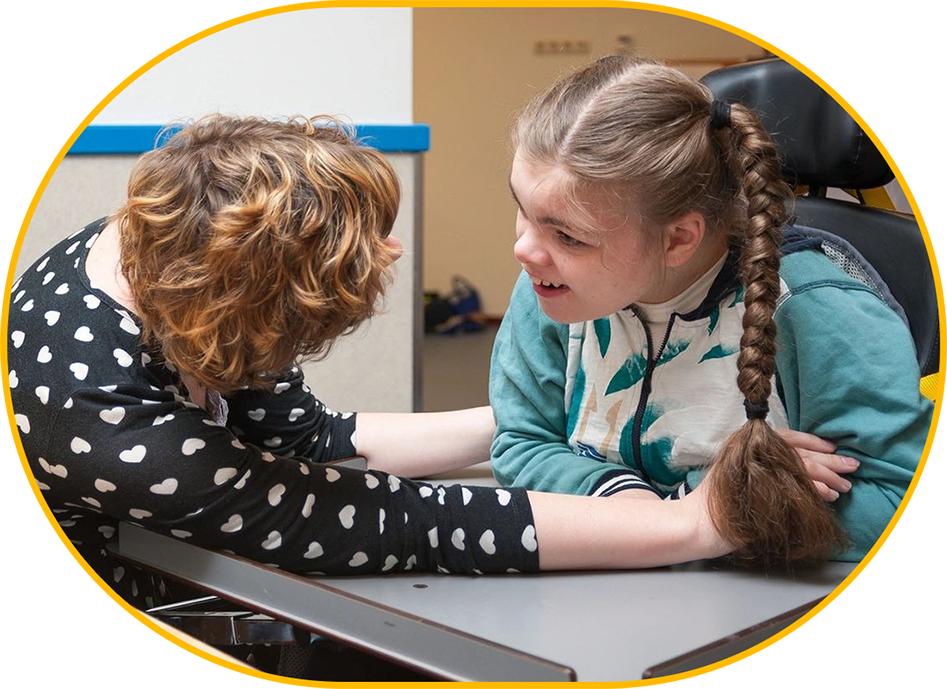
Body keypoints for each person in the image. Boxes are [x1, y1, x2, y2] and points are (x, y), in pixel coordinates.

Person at [11, 114, 736, 610]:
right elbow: (398, 522)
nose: (392, 254)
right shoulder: (102, 417)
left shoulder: (159, 240)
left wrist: (551, 420)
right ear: (252, 305)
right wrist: (695, 524)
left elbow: (309, 440)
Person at [490, 55, 932, 566]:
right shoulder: (552, 285)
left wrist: (712, 510)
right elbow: (521, 442)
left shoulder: (814, 308)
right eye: (523, 209)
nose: (525, 249)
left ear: (680, 238)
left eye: (567, 235)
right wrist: (650, 514)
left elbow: (901, 500)